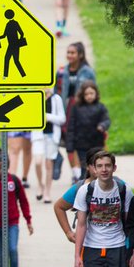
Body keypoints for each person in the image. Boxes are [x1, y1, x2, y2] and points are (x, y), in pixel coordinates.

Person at [54, 147, 128, 267]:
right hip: (92, 248)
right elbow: (79, 222)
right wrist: (76, 251)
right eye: (99, 166)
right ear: (92, 168)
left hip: (117, 246)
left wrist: (132, 250)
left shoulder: (122, 188)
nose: (103, 170)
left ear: (113, 168)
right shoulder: (83, 189)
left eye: (107, 166)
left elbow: (129, 221)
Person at [55, 42, 96, 182]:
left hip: (82, 109)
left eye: (72, 53)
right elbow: (57, 91)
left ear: (80, 55)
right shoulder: (62, 71)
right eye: (68, 52)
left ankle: (84, 171)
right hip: (66, 108)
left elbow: (93, 91)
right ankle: (75, 172)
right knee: (69, 141)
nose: (69, 55)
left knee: (82, 141)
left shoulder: (87, 72)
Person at [32, 85, 65, 203]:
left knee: (49, 164)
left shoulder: (56, 99)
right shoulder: (33, 98)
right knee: (37, 162)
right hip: (37, 135)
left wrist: (48, 117)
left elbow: (62, 119)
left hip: (52, 135)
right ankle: (40, 185)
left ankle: (47, 191)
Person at [68, 81, 109, 171]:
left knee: (97, 166)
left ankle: (97, 184)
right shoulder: (76, 108)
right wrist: (70, 146)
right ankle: (86, 183)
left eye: (91, 93)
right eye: (86, 94)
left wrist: (102, 125)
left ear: (96, 93)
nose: (89, 96)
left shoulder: (100, 107)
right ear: (82, 95)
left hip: (97, 143)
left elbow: (106, 120)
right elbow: (71, 127)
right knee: (85, 167)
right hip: (81, 144)